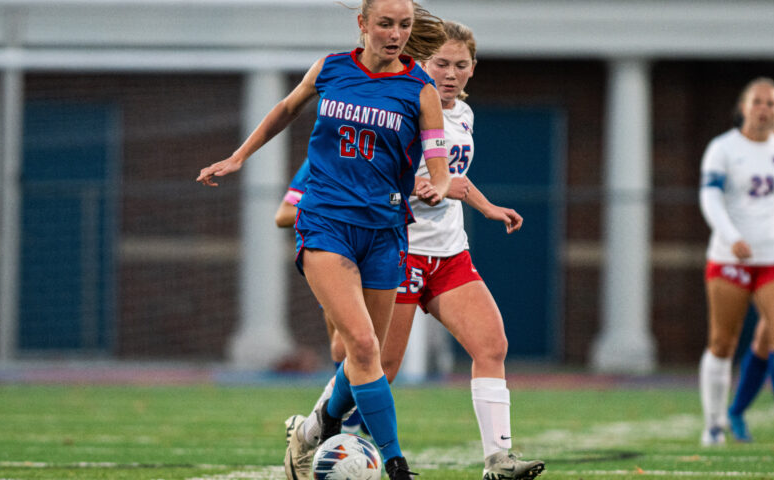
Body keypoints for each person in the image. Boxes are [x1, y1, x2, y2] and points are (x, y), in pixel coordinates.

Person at [198, 0, 451, 479]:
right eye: (385, 24)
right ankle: (397, 464)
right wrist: (238, 157)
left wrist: (436, 186)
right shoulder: (330, 68)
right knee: (359, 343)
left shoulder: (421, 90)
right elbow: (284, 110)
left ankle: (318, 426)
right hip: (325, 223)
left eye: (404, 25)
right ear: (362, 24)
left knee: (366, 355)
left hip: (384, 231)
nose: (395, 34)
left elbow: (436, 159)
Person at [379, 20, 544, 480]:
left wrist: (489, 207)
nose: (450, 74)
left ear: (473, 69)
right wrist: (421, 187)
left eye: (460, 65)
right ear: (421, 63)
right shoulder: (401, 109)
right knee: (381, 368)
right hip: (400, 251)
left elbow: (453, 179)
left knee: (491, 344)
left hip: (450, 253)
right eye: (441, 64)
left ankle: (498, 460)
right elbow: (381, 180)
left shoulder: (464, 115)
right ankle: (314, 433)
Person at [698, 77, 774, 446]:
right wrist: (730, 236)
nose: (766, 109)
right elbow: (711, 198)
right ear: (744, 106)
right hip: (730, 259)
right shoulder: (723, 148)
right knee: (723, 342)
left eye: (772, 104)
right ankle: (714, 423)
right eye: (759, 102)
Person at [274, 158, 364, 433]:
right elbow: (283, 215)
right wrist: (332, 207)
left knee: (376, 349)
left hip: (380, 255)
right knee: (342, 342)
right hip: (336, 256)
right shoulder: (319, 159)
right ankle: (346, 423)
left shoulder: (387, 149)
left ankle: (354, 414)